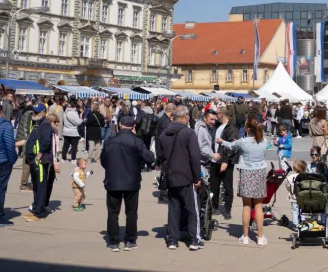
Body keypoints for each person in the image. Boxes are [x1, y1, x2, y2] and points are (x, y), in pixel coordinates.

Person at [101, 115, 155, 251]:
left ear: (120, 125)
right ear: (133, 127)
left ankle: (113, 242)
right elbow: (149, 158)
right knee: (131, 213)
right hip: (131, 181)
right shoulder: (136, 141)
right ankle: (130, 240)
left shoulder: (109, 142)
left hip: (113, 181)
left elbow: (103, 161)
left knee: (113, 212)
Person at [158, 105, 205, 250]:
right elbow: (195, 157)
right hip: (186, 176)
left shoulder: (164, 133)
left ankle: (173, 240)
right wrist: (197, 177)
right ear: (185, 117)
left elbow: (160, 156)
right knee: (192, 209)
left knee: (174, 208)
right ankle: (193, 239)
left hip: (171, 176)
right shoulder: (189, 133)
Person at [216, 117, 269, 246]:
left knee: (246, 205)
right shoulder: (263, 140)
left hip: (246, 172)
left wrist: (221, 141)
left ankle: (245, 236)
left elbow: (231, 145)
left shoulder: (243, 141)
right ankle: (260, 237)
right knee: (258, 205)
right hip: (260, 172)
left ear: (248, 129)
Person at [24, 112, 59, 222]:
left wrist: (39, 157)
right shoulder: (39, 125)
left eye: (58, 122)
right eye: (55, 122)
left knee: (42, 186)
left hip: (43, 160)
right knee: (38, 186)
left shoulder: (47, 128)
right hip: (40, 160)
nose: (57, 124)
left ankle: (39, 212)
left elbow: (49, 146)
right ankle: (36, 209)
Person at [210, 109, 238, 219]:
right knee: (214, 186)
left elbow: (232, 146)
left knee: (228, 187)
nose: (215, 117)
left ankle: (227, 210)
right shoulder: (217, 126)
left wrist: (226, 161)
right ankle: (214, 206)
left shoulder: (231, 128)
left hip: (225, 161)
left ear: (222, 114)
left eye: (217, 114)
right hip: (215, 159)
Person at [284, 159, 308, 228]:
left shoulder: (291, 177)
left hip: (294, 197)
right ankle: (303, 222)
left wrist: (290, 191)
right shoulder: (305, 176)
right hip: (303, 197)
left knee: (295, 210)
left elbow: (287, 185)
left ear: (295, 168)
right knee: (303, 210)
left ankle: (296, 224)